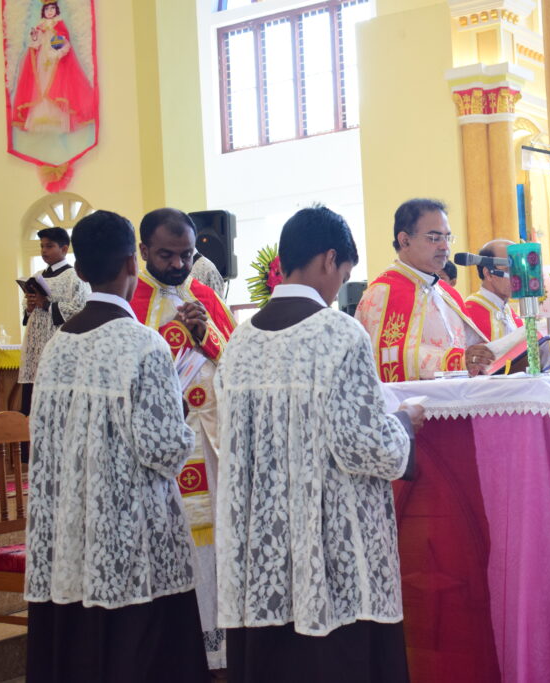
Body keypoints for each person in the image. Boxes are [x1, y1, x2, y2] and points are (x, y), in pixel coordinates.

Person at [216, 206, 422, 682]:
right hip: (329, 553)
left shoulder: (239, 342)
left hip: (263, 548)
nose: (338, 288)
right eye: (344, 273)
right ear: (330, 260)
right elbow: (366, 446)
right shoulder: (338, 333)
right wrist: (405, 424)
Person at [25, 210, 208, 682]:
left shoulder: (56, 348)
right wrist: (183, 418)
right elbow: (166, 451)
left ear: (80, 270)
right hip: (133, 550)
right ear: (134, 261)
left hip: (70, 541)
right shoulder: (144, 345)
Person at [129, 207, 235, 670]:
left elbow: (236, 363)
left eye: (186, 255)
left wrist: (204, 333)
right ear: (144, 251)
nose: (177, 265)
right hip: (163, 452)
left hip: (211, 446)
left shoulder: (206, 297)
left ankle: (223, 646)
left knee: (215, 544)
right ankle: (184, 649)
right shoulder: (130, 302)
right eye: (166, 255)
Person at [355, 198, 494, 381]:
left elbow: (472, 349)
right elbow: (388, 357)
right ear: (404, 241)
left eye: (447, 237)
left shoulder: (448, 293)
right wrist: (456, 360)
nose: (445, 246)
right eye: (434, 238)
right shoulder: (385, 292)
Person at [19, 227, 89, 415]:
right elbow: (30, 313)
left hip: (60, 349)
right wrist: (30, 307)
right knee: (32, 410)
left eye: (49, 246)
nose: (43, 251)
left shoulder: (75, 276)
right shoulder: (37, 277)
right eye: (42, 246)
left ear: (64, 249)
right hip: (36, 351)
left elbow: (82, 311)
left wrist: (48, 305)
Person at [11, 0, 96, 134]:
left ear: (56, 10)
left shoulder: (60, 25)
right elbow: (35, 44)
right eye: (47, 9)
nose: (50, 11)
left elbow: (65, 44)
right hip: (42, 60)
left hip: (55, 62)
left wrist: (57, 53)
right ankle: (39, 117)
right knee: (41, 87)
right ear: (43, 12)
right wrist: (34, 38)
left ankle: (57, 119)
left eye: (52, 9)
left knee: (56, 86)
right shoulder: (40, 26)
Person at [464, 239, 522, 341]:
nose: (517, 277)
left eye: (519, 270)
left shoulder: (508, 310)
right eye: (509, 270)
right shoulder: (470, 312)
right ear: (489, 274)